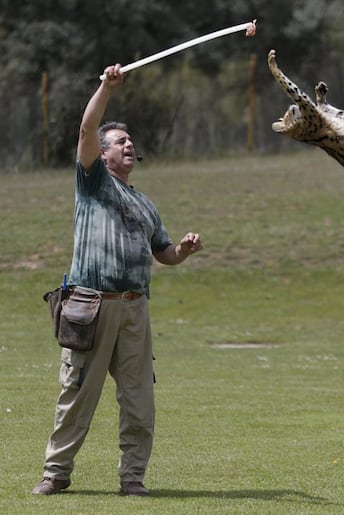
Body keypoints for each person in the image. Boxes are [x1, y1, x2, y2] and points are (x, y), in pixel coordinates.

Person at [32, 64, 203, 496]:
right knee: (77, 396)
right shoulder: (91, 182)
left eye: (130, 141)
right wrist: (106, 87)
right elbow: (87, 127)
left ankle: (133, 479)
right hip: (91, 304)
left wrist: (180, 251)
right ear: (102, 154)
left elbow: (162, 253)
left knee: (139, 400)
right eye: (120, 142)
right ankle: (56, 474)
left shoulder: (145, 204)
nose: (129, 145)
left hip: (134, 308)